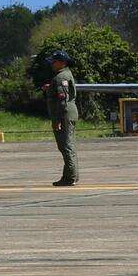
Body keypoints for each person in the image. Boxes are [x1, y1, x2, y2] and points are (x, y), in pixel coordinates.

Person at [47, 48, 79, 187]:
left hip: (64, 114)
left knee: (65, 145)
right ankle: (72, 175)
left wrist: (57, 120)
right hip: (69, 112)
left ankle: (70, 176)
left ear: (61, 63)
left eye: (54, 62)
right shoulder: (65, 75)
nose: (52, 64)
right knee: (68, 145)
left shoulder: (60, 77)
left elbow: (62, 101)